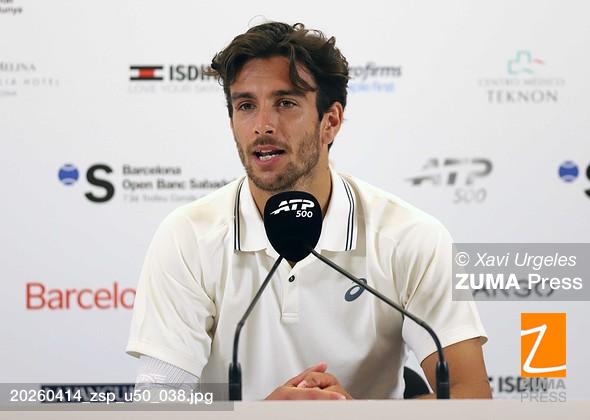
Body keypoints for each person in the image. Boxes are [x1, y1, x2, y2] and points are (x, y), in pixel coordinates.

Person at [126, 21, 491, 400]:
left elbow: (470, 396)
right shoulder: (188, 235)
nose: (262, 126)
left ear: (330, 122)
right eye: (246, 106)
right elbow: (157, 403)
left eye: (285, 103)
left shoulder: (410, 237)